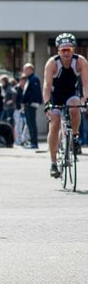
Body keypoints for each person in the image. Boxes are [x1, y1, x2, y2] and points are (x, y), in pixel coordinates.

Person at [43, 33, 88, 177]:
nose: (66, 53)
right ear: (58, 51)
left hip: (71, 93)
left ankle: (74, 137)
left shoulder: (80, 61)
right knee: (54, 124)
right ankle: (53, 163)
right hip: (56, 96)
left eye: (69, 49)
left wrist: (86, 99)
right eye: (63, 50)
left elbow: (86, 83)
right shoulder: (52, 63)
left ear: (73, 50)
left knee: (75, 109)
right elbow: (47, 85)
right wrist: (46, 103)